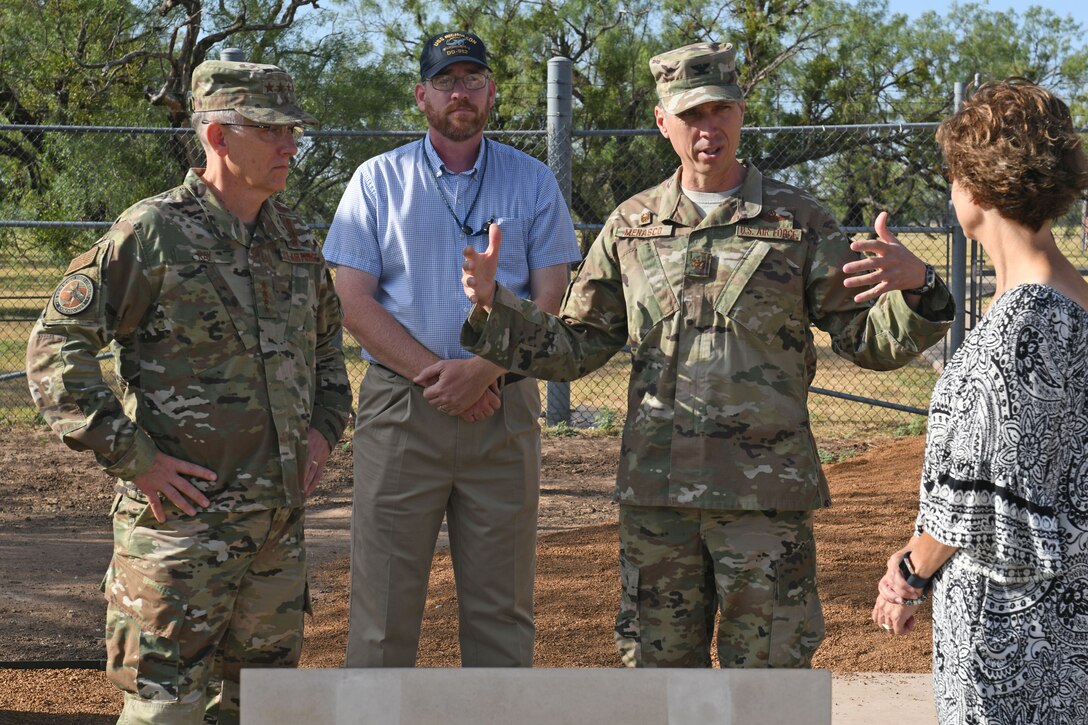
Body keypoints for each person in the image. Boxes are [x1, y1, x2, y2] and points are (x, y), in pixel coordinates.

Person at [458, 40, 955, 669]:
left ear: (740, 112)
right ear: (664, 122)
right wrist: (493, 307)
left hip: (765, 505)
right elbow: (577, 346)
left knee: (768, 685)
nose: (708, 128)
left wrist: (920, 291)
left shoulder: (799, 222)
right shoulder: (631, 226)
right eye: (691, 115)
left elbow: (864, 340)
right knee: (661, 686)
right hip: (659, 502)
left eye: (719, 109)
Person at [25, 59, 352, 723]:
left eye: (293, 128)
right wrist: (134, 457)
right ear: (219, 136)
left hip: (274, 540)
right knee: (164, 712)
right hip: (179, 544)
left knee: (263, 709)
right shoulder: (153, 233)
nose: (290, 143)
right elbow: (55, 349)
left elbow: (327, 355)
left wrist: (322, 429)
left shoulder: (295, 242)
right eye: (270, 128)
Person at [323, 30, 582, 668]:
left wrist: (484, 370)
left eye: (472, 79)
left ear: (492, 91)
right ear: (422, 96)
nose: (459, 92)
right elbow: (352, 301)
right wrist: (438, 376)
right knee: (383, 614)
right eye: (446, 81)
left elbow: (553, 297)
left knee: (501, 611)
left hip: (504, 409)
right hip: (403, 408)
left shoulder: (533, 181)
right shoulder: (377, 181)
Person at [871, 79, 1088, 724]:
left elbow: (974, 499)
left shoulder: (1023, 324)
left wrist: (908, 574)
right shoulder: (1068, 299)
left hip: (1013, 635)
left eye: (953, 177)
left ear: (977, 189)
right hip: (1060, 623)